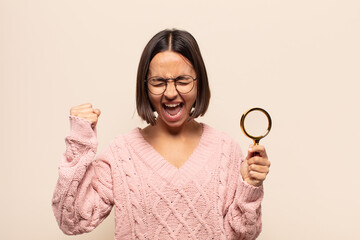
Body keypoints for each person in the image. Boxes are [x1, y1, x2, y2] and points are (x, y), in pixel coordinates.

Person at [52, 29, 271, 240]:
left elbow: (243, 235)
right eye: (158, 82)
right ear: (145, 86)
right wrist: (80, 142)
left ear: (199, 83)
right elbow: (71, 220)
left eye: (182, 80)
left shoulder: (226, 149)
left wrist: (248, 186)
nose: (171, 92)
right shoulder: (121, 154)